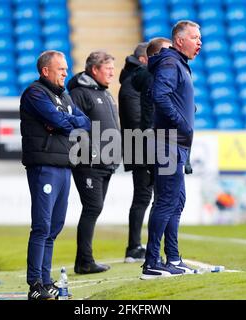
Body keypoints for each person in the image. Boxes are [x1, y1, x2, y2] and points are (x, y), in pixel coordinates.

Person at [20, 50, 91, 299]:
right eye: (61, 68)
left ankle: (47, 280)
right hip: (44, 166)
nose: (65, 73)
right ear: (45, 71)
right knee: (41, 226)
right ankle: (35, 285)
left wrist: (64, 120)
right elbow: (60, 121)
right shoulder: (35, 93)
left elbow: (86, 122)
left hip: (63, 165)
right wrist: (65, 121)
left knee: (54, 227)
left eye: (66, 68)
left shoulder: (64, 96)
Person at [141, 20, 202, 280]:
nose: (200, 42)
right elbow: (159, 95)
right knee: (166, 201)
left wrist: (187, 116)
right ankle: (152, 263)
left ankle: (173, 258)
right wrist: (181, 123)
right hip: (167, 142)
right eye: (195, 37)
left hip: (175, 144)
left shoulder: (177, 64)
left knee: (176, 201)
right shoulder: (169, 63)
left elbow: (169, 97)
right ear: (179, 41)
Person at [67, 51, 120, 274]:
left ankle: (84, 261)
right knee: (92, 207)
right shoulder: (80, 93)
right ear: (95, 69)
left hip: (106, 164)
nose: (111, 73)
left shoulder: (105, 94)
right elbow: (75, 127)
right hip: (88, 163)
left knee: (94, 208)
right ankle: (84, 261)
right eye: (108, 69)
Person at [118, 42, 152, 263]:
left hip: (141, 145)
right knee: (142, 197)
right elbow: (136, 119)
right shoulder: (133, 83)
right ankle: (134, 247)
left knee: (144, 196)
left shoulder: (131, 81)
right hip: (141, 147)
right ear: (143, 60)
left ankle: (137, 245)